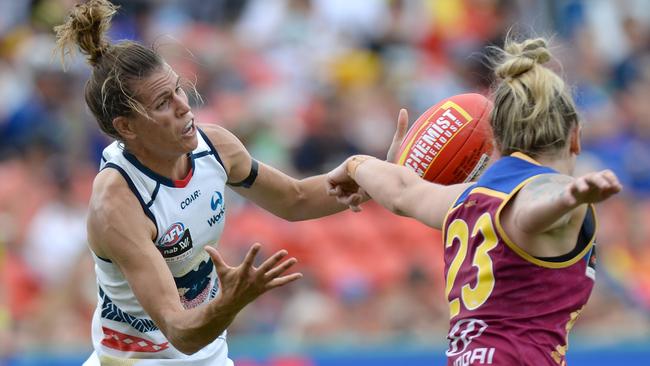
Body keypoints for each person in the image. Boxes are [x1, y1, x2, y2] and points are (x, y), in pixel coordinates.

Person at [54, 1, 395, 364]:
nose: (184, 107)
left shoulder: (215, 147)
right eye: (162, 103)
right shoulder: (118, 203)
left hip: (209, 355)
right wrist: (230, 302)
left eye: (178, 90)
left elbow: (294, 199)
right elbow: (180, 330)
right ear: (126, 128)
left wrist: (371, 177)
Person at [327, 37, 622, 365]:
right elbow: (527, 210)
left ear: (495, 138)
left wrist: (356, 165)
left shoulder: (463, 197)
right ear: (576, 136)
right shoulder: (551, 191)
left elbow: (401, 192)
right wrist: (569, 197)